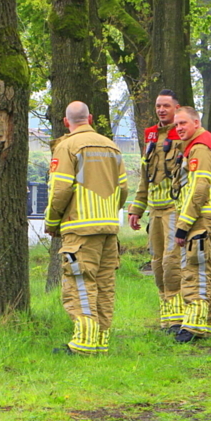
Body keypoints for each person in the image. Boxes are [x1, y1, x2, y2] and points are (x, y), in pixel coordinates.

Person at [45, 101, 128, 354]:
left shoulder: (67, 146)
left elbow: (60, 189)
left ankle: (83, 343)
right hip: (108, 228)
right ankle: (101, 340)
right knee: (104, 285)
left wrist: (52, 221)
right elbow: (123, 189)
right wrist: (109, 213)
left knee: (80, 283)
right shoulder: (113, 147)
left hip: (80, 229)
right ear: (90, 118)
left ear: (66, 121)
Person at [128, 90, 185, 332]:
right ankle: (166, 318)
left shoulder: (182, 134)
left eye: (166, 106)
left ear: (176, 108)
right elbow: (145, 178)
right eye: (158, 106)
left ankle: (178, 318)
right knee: (157, 264)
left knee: (172, 264)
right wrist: (136, 208)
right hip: (155, 210)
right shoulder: (150, 135)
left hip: (175, 209)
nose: (161, 110)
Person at [172, 107, 211, 343]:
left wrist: (183, 224)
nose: (179, 128)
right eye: (177, 125)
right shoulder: (207, 143)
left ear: (196, 122)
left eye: (183, 123)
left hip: (201, 217)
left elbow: (199, 187)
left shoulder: (200, 146)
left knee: (195, 270)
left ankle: (193, 327)